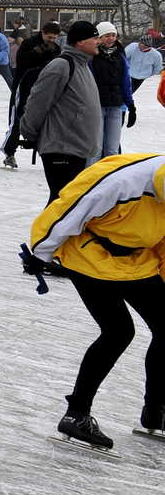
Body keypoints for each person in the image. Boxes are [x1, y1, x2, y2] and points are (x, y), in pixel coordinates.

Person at [23, 153, 165, 450]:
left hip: (137, 258)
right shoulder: (123, 181)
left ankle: (156, 412)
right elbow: (70, 208)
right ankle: (76, 414)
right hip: (88, 254)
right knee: (118, 332)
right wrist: (40, 252)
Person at [20, 20, 102, 202]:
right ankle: (46, 231)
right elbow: (38, 101)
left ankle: (52, 231)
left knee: (67, 202)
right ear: (80, 42)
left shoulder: (83, 66)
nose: (99, 41)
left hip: (77, 147)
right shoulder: (62, 65)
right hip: (61, 147)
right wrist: (29, 131)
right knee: (63, 201)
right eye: (95, 38)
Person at [3, 21, 66, 169]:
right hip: (23, 86)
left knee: (45, 121)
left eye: (54, 38)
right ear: (43, 32)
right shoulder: (28, 43)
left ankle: (48, 153)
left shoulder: (56, 48)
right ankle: (9, 152)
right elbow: (21, 61)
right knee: (17, 119)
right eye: (49, 37)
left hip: (43, 89)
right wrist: (40, 50)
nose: (51, 41)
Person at [92, 22, 136, 158]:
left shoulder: (120, 56)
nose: (111, 38)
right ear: (99, 37)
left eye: (113, 35)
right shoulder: (92, 56)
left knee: (112, 150)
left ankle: (111, 177)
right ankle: (91, 178)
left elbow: (125, 83)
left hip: (116, 106)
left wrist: (131, 105)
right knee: (95, 149)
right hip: (96, 106)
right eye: (106, 35)